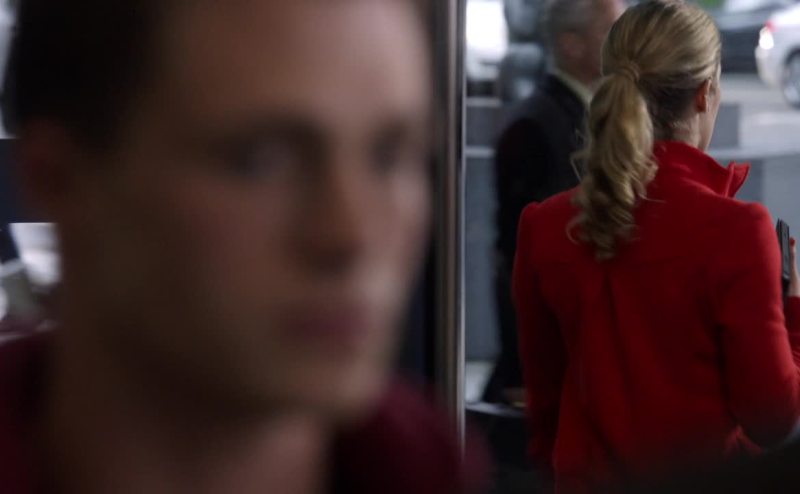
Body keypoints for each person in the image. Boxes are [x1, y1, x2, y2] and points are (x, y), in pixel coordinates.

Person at [0, 1, 482, 493]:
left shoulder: (427, 467)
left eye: (390, 156)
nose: (350, 235)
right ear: (59, 181)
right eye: (260, 160)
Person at [513, 0, 800, 491]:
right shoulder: (736, 231)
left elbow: (545, 413)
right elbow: (773, 419)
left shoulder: (543, 226)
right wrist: (793, 313)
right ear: (705, 94)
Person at [485, 0, 626, 405]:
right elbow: (521, 264)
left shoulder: (589, 116)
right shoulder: (535, 127)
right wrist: (526, 369)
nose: (624, 44)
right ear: (571, 44)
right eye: (611, 31)